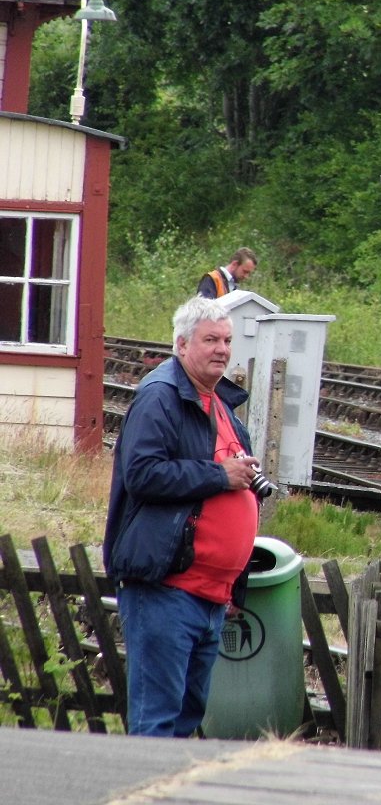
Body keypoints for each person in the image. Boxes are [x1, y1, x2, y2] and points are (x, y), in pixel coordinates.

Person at [103, 295, 262, 737]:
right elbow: (142, 474)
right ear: (181, 344)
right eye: (210, 340)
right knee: (158, 721)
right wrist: (218, 475)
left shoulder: (221, 403)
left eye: (227, 340)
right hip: (166, 589)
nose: (222, 350)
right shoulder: (161, 397)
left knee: (187, 720)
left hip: (211, 597)